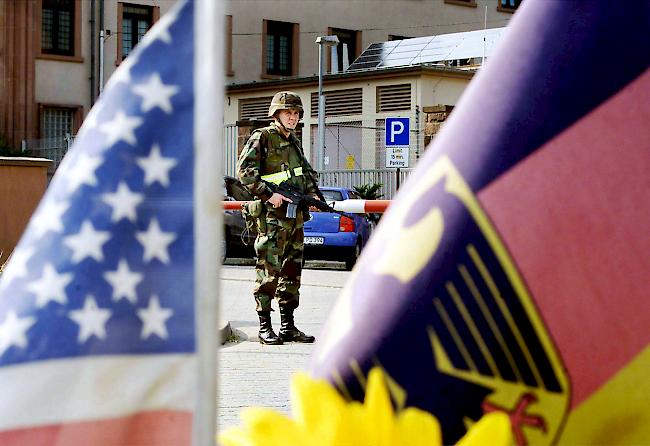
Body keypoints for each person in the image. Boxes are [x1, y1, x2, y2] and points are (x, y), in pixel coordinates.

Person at [236, 91, 319, 345]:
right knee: (268, 271)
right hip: (272, 217)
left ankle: (287, 326)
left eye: (296, 113)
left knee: (292, 272)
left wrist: (313, 196)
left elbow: (303, 173)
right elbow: (245, 172)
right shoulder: (263, 137)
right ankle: (264, 327)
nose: (292, 118)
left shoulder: (294, 141)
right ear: (276, 115)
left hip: (294, 219)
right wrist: (267, 194)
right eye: (288, 113)